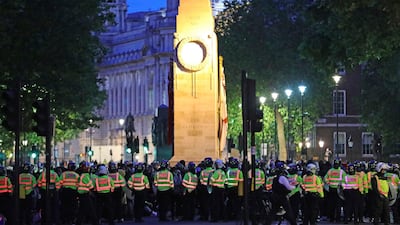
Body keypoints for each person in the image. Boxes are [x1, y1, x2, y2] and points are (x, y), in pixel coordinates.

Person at [269, 161, 297, 225]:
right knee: (289, 212)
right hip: (282, 197)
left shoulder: (276, 178)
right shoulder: (282, 177)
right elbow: (288, 187)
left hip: (275, 197)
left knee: (272, 212)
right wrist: (294, 187)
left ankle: (267, 223)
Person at [76, 161, 98, 225]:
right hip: (85, 194)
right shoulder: (85, 176)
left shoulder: (81, 175)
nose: (88, 169)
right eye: (88, 168)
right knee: (91, 210)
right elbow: (90, 186)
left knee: (82, 210)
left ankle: (78, 222)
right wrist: (94, 189)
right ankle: (95, 222)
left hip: (81, 194)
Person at [324, 158, 346, 222]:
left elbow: (325, 178)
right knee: (338, 205)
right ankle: (338, 219)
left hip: (331, 189)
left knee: (332, 205)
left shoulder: (330, 171)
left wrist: (329, 183)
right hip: (338, 190)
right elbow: (345, 180)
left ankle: (331, 218)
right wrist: (341, 185)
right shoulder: (342, 172)